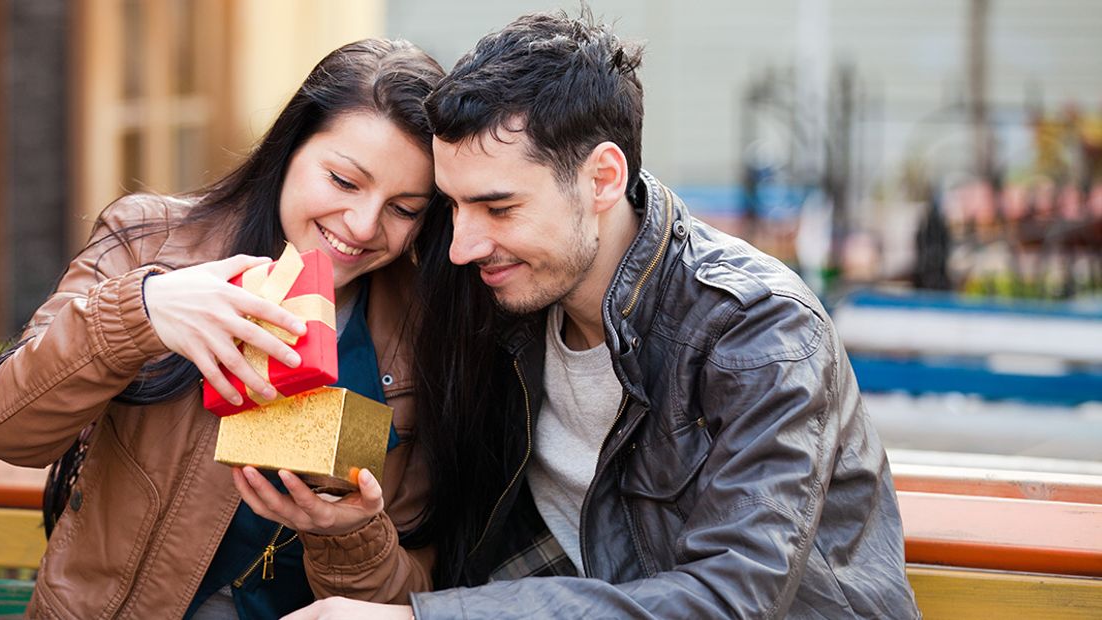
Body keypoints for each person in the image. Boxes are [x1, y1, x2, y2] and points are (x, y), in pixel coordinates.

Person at [294, 11, 920, 619]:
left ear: (602, 179)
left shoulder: (759, 331)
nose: (462, 245)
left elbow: (728, 601)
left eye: (500, 208)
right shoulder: (503, 302)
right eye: (453, 207)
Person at [0, 39, 445, 618]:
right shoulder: (149, 240)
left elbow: (411, 595)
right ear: (288, 149)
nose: (363, 226)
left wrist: (351, 533)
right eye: (344, 181)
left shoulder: (427, 330)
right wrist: (143, 311)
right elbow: (8, 432)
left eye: (405, 208)